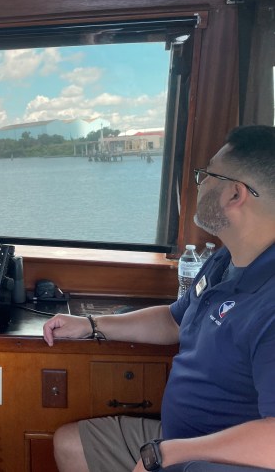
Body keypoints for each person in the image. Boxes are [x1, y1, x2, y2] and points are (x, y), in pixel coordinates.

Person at [43, 125, 275, 472]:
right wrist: (91, 325)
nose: (199, 183)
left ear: (234, 195)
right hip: (180, 440)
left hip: (217, 461)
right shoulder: (226, 259)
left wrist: (168, 455)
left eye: (207, 174)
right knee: (71, 444)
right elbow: (173, 320)